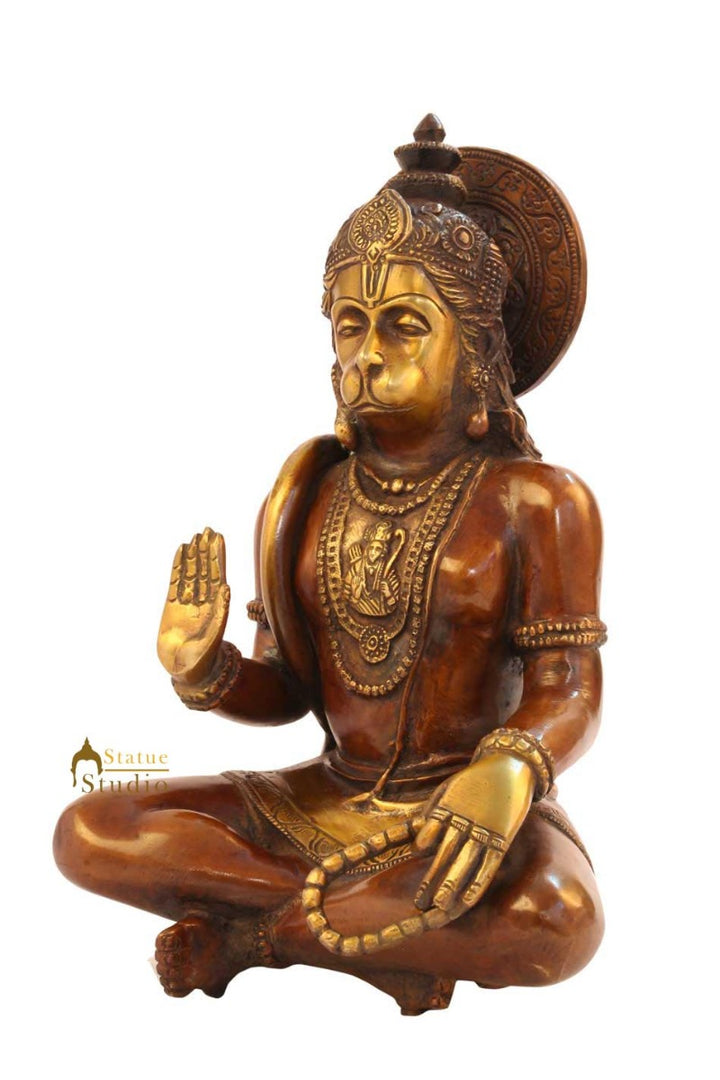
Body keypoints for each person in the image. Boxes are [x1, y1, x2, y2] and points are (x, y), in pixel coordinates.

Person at [54, 118, 606, 1014]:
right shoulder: (309, 488)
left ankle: (257, 937)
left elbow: (570, 688)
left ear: (476, 348)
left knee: (558, 919)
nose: (367, 355)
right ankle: (381, 934)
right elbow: (286, 690)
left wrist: (511, 766)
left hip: (470, 814)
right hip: (325, 799)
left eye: (404, 326)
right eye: (350, 326)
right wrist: (204, 669)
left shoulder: (538, 500)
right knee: (90, 829)